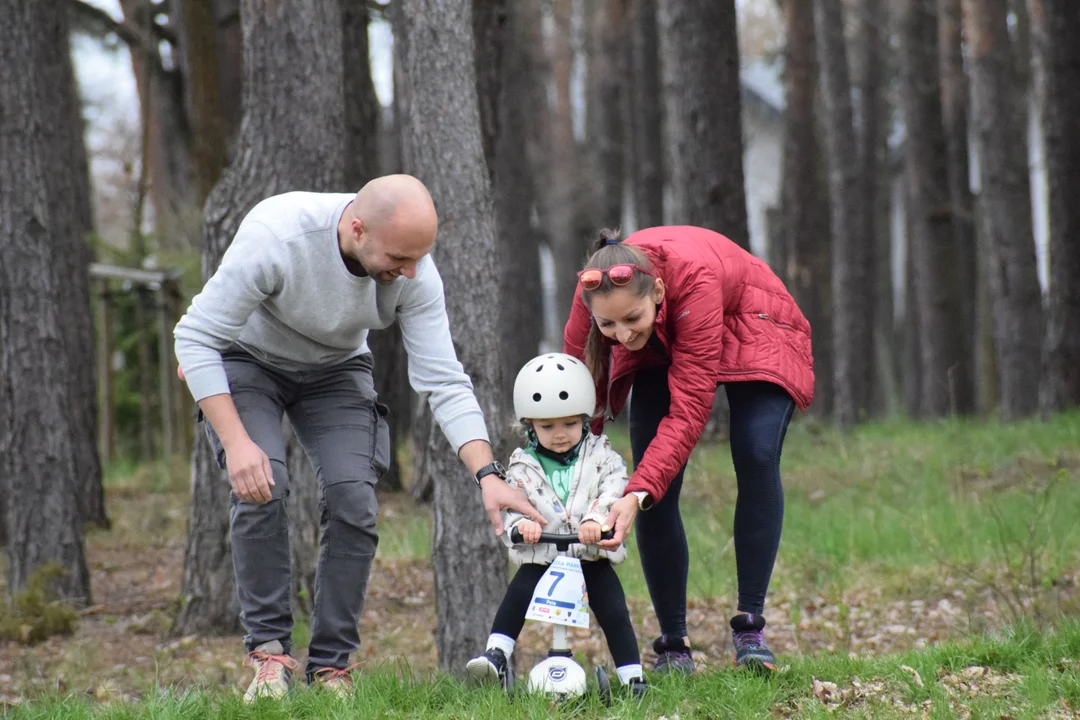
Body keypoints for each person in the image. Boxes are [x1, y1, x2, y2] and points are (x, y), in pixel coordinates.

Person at [173, 174, 545, 702]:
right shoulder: (279, 236)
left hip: (336, 369)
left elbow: (443, 378)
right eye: (399, 257)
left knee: (354, 500)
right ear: (356, 228)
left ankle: (330, 669)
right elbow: (193, 337)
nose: (410, 271)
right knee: (264, 484)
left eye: (419, 258)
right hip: (247, 360)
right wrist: (236, 443)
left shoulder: (414, 271)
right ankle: (270, 655)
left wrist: (488, 474)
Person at [562, 226, 815, 673]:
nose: (619, 335)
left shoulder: (692, 282)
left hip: (753, 322)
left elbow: (690, 409)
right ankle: (673, 648)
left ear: (656, 290)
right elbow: (577, 390)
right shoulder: (595, 293)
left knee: (755, 454)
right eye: (609, 325)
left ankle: (750, 630)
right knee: (653, 485)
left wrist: (635, 494)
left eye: (630, 319)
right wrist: (581, 474)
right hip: (665, 336)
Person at [466, 353, 646, 698]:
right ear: (529, 426)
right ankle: (497, 654)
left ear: (584, 418)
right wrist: (521, 528)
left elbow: (614, 487)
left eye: (569, 424)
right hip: (545, 553)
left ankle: (631, 676)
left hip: (588, 552)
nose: (560, 435)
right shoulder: (522, 466)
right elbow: (511, 503)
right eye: (547, 427)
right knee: (519, 592)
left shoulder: (600, 457)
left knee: (613, 608)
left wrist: (597, 519)